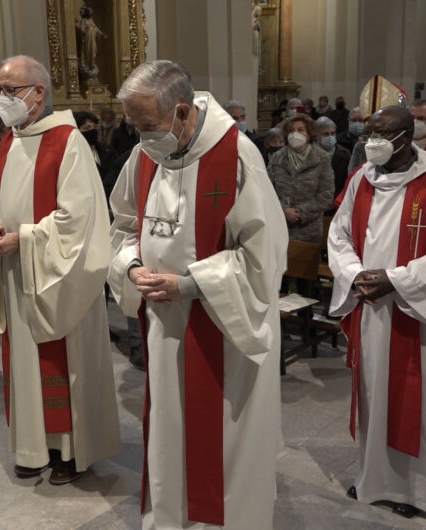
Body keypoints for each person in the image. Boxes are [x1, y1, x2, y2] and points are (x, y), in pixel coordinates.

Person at [108, 59, 287, 529]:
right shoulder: (144, 155)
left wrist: (187, 284)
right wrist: (131, 266)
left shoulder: (236, 156)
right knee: (170, 428)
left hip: (225, 329)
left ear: (183, 112)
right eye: (134, 126)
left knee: (223, 439)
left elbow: (264, 259)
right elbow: (123, 225)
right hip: (165, 328)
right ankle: (171, 518)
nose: (142, 136)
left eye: (148, 125)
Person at [0, 55, 120, 486]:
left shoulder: (66, 141)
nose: (3, 98)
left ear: (38, 92)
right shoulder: (7, 143)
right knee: (24, 362)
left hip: (59, 277)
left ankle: (70, 452)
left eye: (10, 89)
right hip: (20, 274)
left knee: (63, 359)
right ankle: (34, 446)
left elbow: (79, 217)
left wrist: (26, 237)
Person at [329, 106, 426, 518]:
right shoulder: (361, 179)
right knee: (374, 394)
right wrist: (356, 275)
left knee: (419, 398)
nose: (371, 140)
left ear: (407, 137)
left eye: (382, 133)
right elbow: (338, 234)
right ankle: (373, 480)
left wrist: (398, 280)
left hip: (416, 309)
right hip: (372, 307)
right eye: (369, 132)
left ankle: (414, 492)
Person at [268, 113, 334, 243]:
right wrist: (283, 211)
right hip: (280, 227)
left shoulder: (322, 158)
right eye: (291, 130)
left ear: (308, 134)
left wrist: (300, 213)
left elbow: (326, 196)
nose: (295, 133)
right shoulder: (277, 158)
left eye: (300, 130)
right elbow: (267, 191)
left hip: (309, 231)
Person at [73, 110, 120, 200]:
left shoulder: (107, 150)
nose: (92, 130)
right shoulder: (73, 154)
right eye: (87, 128)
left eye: (95, 127)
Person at [316, 116, 351, 199]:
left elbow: (346, 181)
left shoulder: (344, 154)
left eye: (332, 133)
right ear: (317, 136)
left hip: (337, 200)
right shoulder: (310, 154)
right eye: (326, 134)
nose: (330, 137)